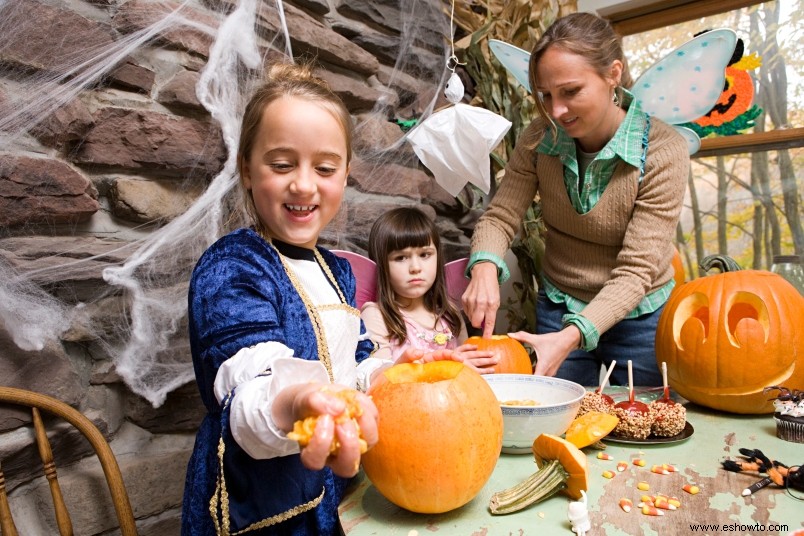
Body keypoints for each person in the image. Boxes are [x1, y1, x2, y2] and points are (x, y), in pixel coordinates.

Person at [181, 63, 447, 536]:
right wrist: (297, 403)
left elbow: (357, 359)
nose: (304, 185)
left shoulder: (338, 269)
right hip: (257, 508)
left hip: (327, 494)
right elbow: (249, 385)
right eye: (281, 164)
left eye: (324, 168)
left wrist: (393, 371)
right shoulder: (233, 265)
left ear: (344, 175)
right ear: (246, 168)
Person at [462, 12, 689, 387]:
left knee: (642, 423)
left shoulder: (664, 150)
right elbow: (501, 216)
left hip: (639, 314)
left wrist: (571, 336)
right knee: (558, 421)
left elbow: (635, 272)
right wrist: (484, 265)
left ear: (613, 74)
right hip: (560, 302)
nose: (556, 112)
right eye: (546, 95)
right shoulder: (540, 137)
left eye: (570, 92)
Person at [361, 207, 498, 373]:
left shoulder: (449, 315)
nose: (415, 268)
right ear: (382, 265)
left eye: (425, 255)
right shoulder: (377, 315)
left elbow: (467, 366)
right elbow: (381, 377)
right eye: (401, 258)